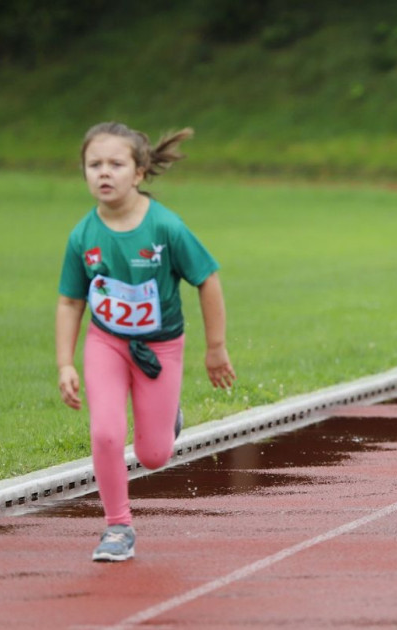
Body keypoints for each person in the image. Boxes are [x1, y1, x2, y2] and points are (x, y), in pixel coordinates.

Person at [56, 122, 236, 562]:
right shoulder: (82, 236)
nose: (104, 173)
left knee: (154, 455)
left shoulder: (166, 227)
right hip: (108, 343)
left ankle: (166, 416)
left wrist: (215, 348)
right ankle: (117, 527)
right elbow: (69, 302)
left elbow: (208, 279)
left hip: (160, 348)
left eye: (116, 164)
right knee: (106, 432)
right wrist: (66, 362)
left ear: (138, 173)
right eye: (94, 164)